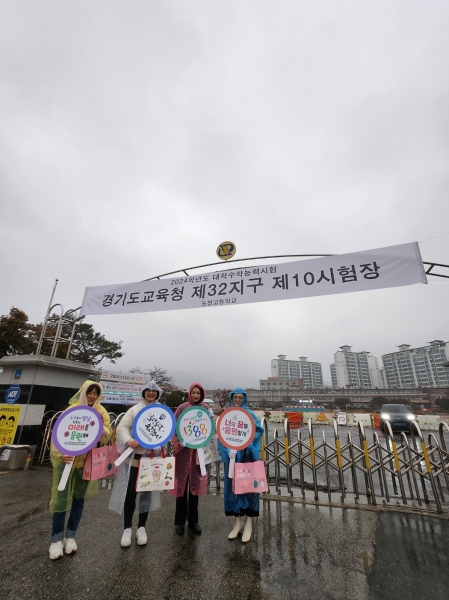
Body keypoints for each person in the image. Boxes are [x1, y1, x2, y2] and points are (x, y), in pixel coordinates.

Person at [48, 380, 111, 560]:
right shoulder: (72, 410)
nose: (92, 396)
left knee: (79, 499)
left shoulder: (101, 411)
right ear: (83, 392)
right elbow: (58, 435)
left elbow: (107, 434)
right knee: (60, 499)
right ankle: (56, 539)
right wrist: (61, 454)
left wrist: (101, 428)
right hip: (66, 462)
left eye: (95, 393)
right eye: (89, 392)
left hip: (86, 463)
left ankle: (71, 536)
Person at [110, 380, 164, 548]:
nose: (151, 393)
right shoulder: (134, 410)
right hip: (132, 459)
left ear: (158, 394)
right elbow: (122, 428)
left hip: (149, 460)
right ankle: (127, 528)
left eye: (154, 391)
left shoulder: (161, 411)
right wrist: (129, 440)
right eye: (148, 390)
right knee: (130, 493)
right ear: (143, 392)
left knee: (146, 494)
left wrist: (159, 444)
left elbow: (166, 431)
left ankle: (141, 527)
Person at [218, 388, 263, 543]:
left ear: (244, 398)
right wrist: (227, 450)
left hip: (247, 458)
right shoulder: (227, 415)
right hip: (233, 460)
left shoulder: (250, 414)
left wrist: (247, 442)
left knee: (249, 488)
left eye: (240, 397)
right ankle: (237, 523)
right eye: (235, 397)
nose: (237, 400)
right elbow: (222, 435)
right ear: (231, 398)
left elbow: (259, 431)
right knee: (233, 489)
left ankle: (249, 524)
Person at [169, 382, 214, 536]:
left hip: (198, 454)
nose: (195, 395)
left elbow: (210, 429)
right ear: (189, 393)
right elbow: (173, 427)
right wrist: (178, 441)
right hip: (183, 453)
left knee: (195, 486)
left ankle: (193, 521)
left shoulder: (206, 409)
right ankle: (180, 522)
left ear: (202, 395)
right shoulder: (182, 408)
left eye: (198, 393)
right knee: (181, 486)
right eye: (193, 392)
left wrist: (212, 419)